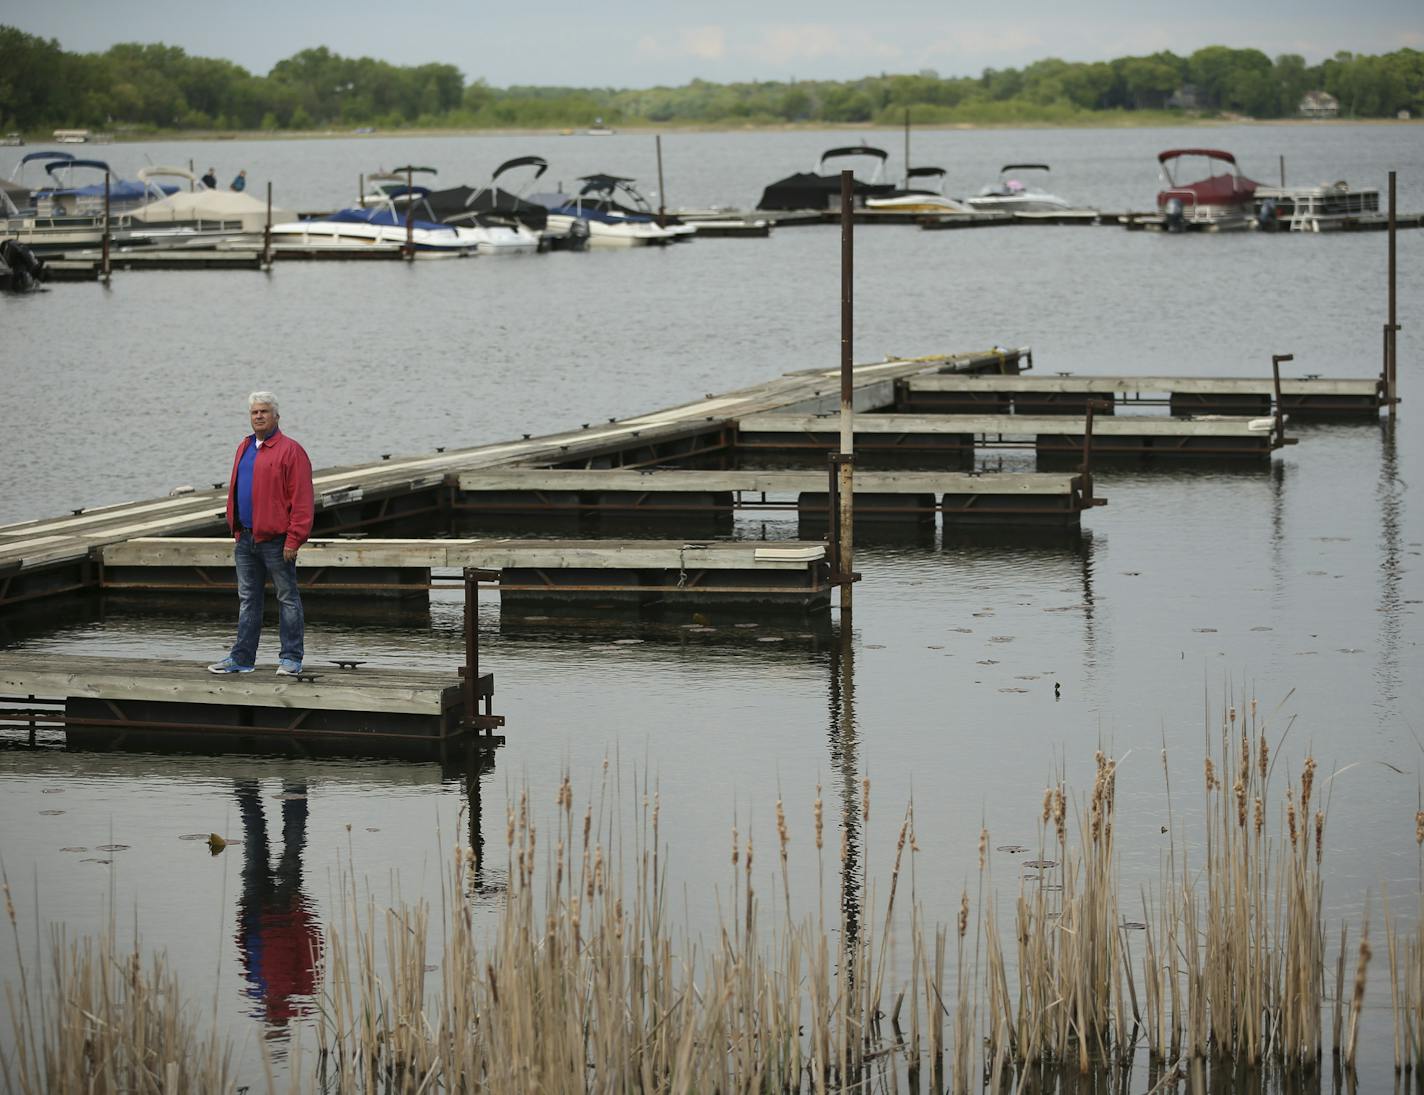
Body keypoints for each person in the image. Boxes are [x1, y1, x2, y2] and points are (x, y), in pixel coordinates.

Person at [208, 392, 313, 676]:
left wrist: (294, 539)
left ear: (276, 416)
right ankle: (242, 658)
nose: (259, 416)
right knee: (248, 600)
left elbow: (302, 500)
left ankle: (291, 658)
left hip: (277, 541)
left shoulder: (291, 450)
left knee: (287, 598)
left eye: (264, 411)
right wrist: (236, 528)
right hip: (245, 538)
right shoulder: (244, 447)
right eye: (254, 412)